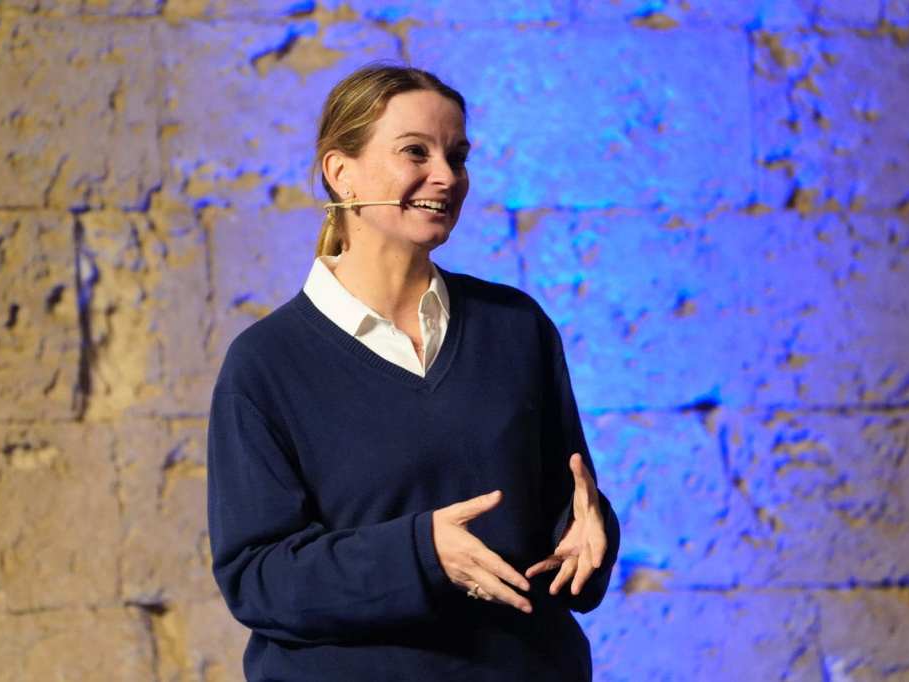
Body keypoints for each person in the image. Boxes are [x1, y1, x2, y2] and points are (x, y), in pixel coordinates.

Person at [206, 62, 620, 681]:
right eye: (415, 152)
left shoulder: (515, 327)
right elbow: (257, 578)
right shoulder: (266, 363)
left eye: (458, 156)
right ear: (340, 173)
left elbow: (564, 509)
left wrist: (588, 536)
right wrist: (421, 554)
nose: (446, 176)